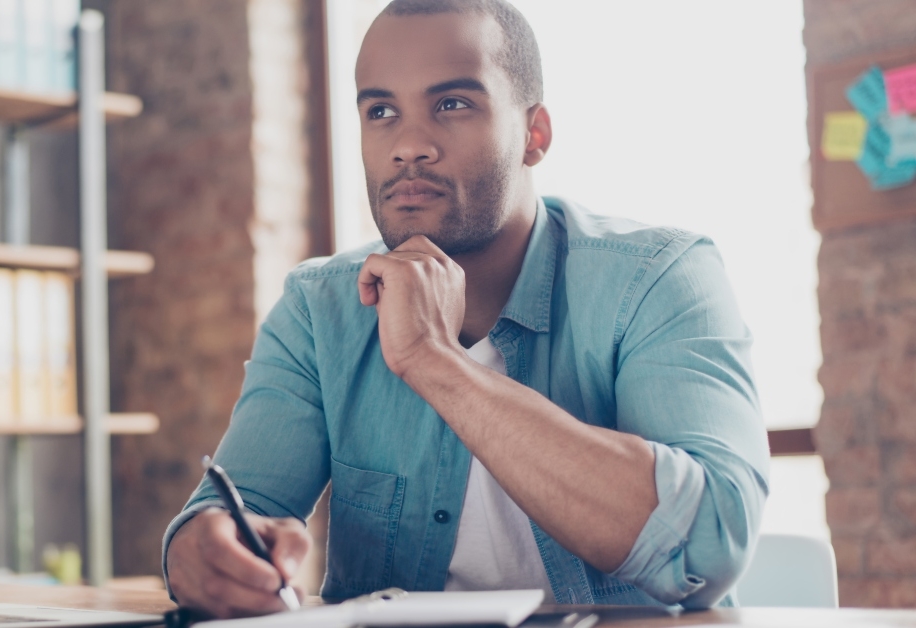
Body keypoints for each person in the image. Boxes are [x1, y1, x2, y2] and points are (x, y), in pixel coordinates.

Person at [162, 0, 769, 618]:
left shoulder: (659, 279)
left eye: (452, 104)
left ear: (534, 135)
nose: (409, 145)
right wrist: (197, 553)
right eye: (381, 112)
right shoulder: (319, 310)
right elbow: (237, 508)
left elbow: (708, 547)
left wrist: (436, 362)